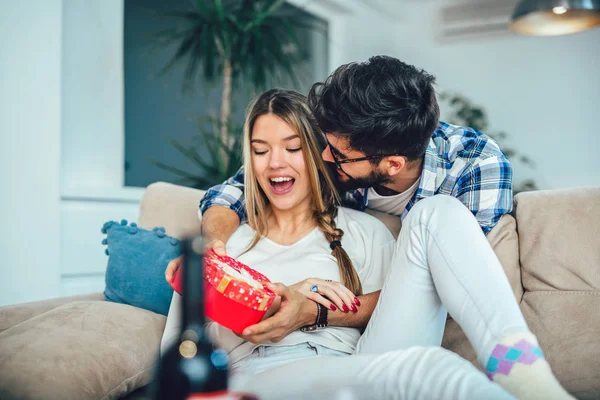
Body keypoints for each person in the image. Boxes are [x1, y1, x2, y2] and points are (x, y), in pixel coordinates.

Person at [162, 89, 572, 400]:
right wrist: (255, 291)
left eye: (293, 148)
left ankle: (523, 371)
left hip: (359, 366)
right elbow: (178, 358)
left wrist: (316, 310)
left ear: (322, 155)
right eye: (259, 151)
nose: (275, 163)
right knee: (426, 370)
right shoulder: (220, 244)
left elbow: (399, 307)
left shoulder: (367, 230)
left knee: (439, 211)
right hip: (265, 373)